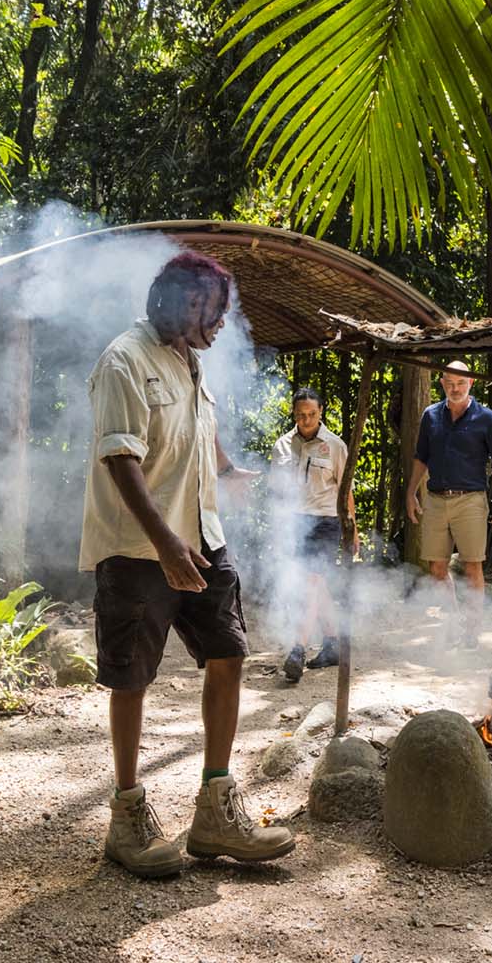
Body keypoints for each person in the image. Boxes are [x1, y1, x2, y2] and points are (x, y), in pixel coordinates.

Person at [79, 252, 295, 878]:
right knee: (132, 677)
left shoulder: (187, 359)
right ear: (181, 303)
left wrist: (226, 470)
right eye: (214, 309)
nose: (223, 321)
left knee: (228, 652)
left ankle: (214, 811)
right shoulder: (123, 361)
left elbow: (198, 424)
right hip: (140, 548)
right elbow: (120, 462)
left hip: (203, 535)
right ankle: (126, 818)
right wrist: (167, 546)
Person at [406, 360, 492, 648]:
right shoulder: (430, 416)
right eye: (450, 383)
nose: (455, 388)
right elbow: (420, 458)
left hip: (470, 500)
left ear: (471, 384)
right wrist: (410, 493)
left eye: (461, 383)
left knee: (472, 566)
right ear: (441, 383)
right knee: (437, 568)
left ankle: (472, 631)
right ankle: (454, 623)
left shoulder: (488, 418)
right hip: (435, 499)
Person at [270, 388, 353, 681]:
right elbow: (276, 492)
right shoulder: (282, 446)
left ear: (321, 412)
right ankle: (333, 643)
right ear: (294, 414)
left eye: (312, 414)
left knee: (311, 582)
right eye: (301, 415)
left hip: (326, 521)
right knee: (317, 586)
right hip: (293, 523)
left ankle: (298, 648)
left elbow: (346, 490)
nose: (306, 420)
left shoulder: (335, 446)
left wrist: (351, 528)